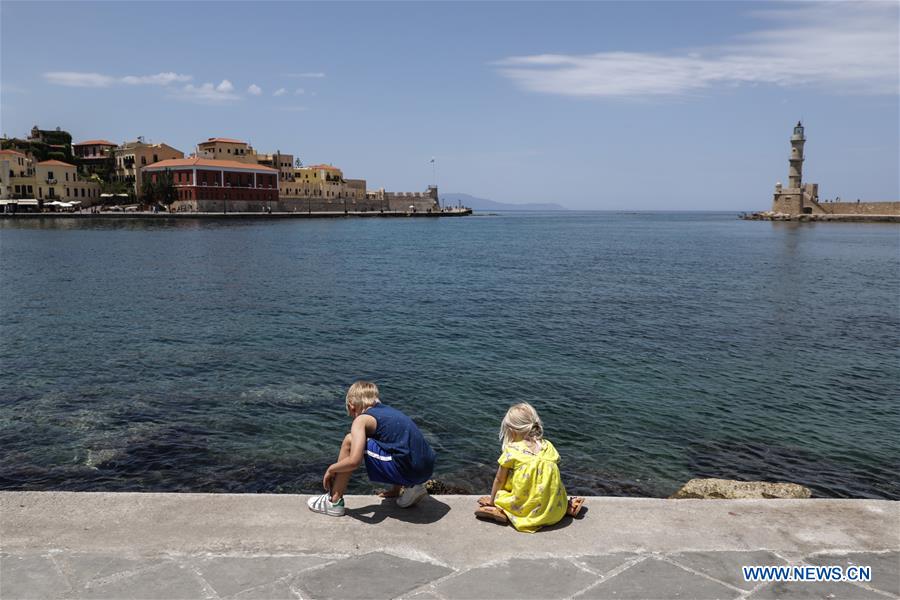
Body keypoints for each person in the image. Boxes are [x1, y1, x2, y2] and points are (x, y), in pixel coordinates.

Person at [307, 381, 437, 517]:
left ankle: (334, 501)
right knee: (390, 444)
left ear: (351, 406)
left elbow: (354, 461)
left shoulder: (361, 419)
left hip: (410, 471)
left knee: (350, 440)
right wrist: (395, 490)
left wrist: (331, 469)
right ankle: (412, 487)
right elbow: (397, 446)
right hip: (426, 470)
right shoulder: (390, 412)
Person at [475, 402, 584, 532]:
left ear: (511, 429)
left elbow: (499, 480)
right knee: (540, 476)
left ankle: (501, 511)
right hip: (555, 513)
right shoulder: (548, 446)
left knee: (504, 491)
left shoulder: (512, 450)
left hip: (528, 514)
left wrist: (493, 500)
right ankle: (565, 506)